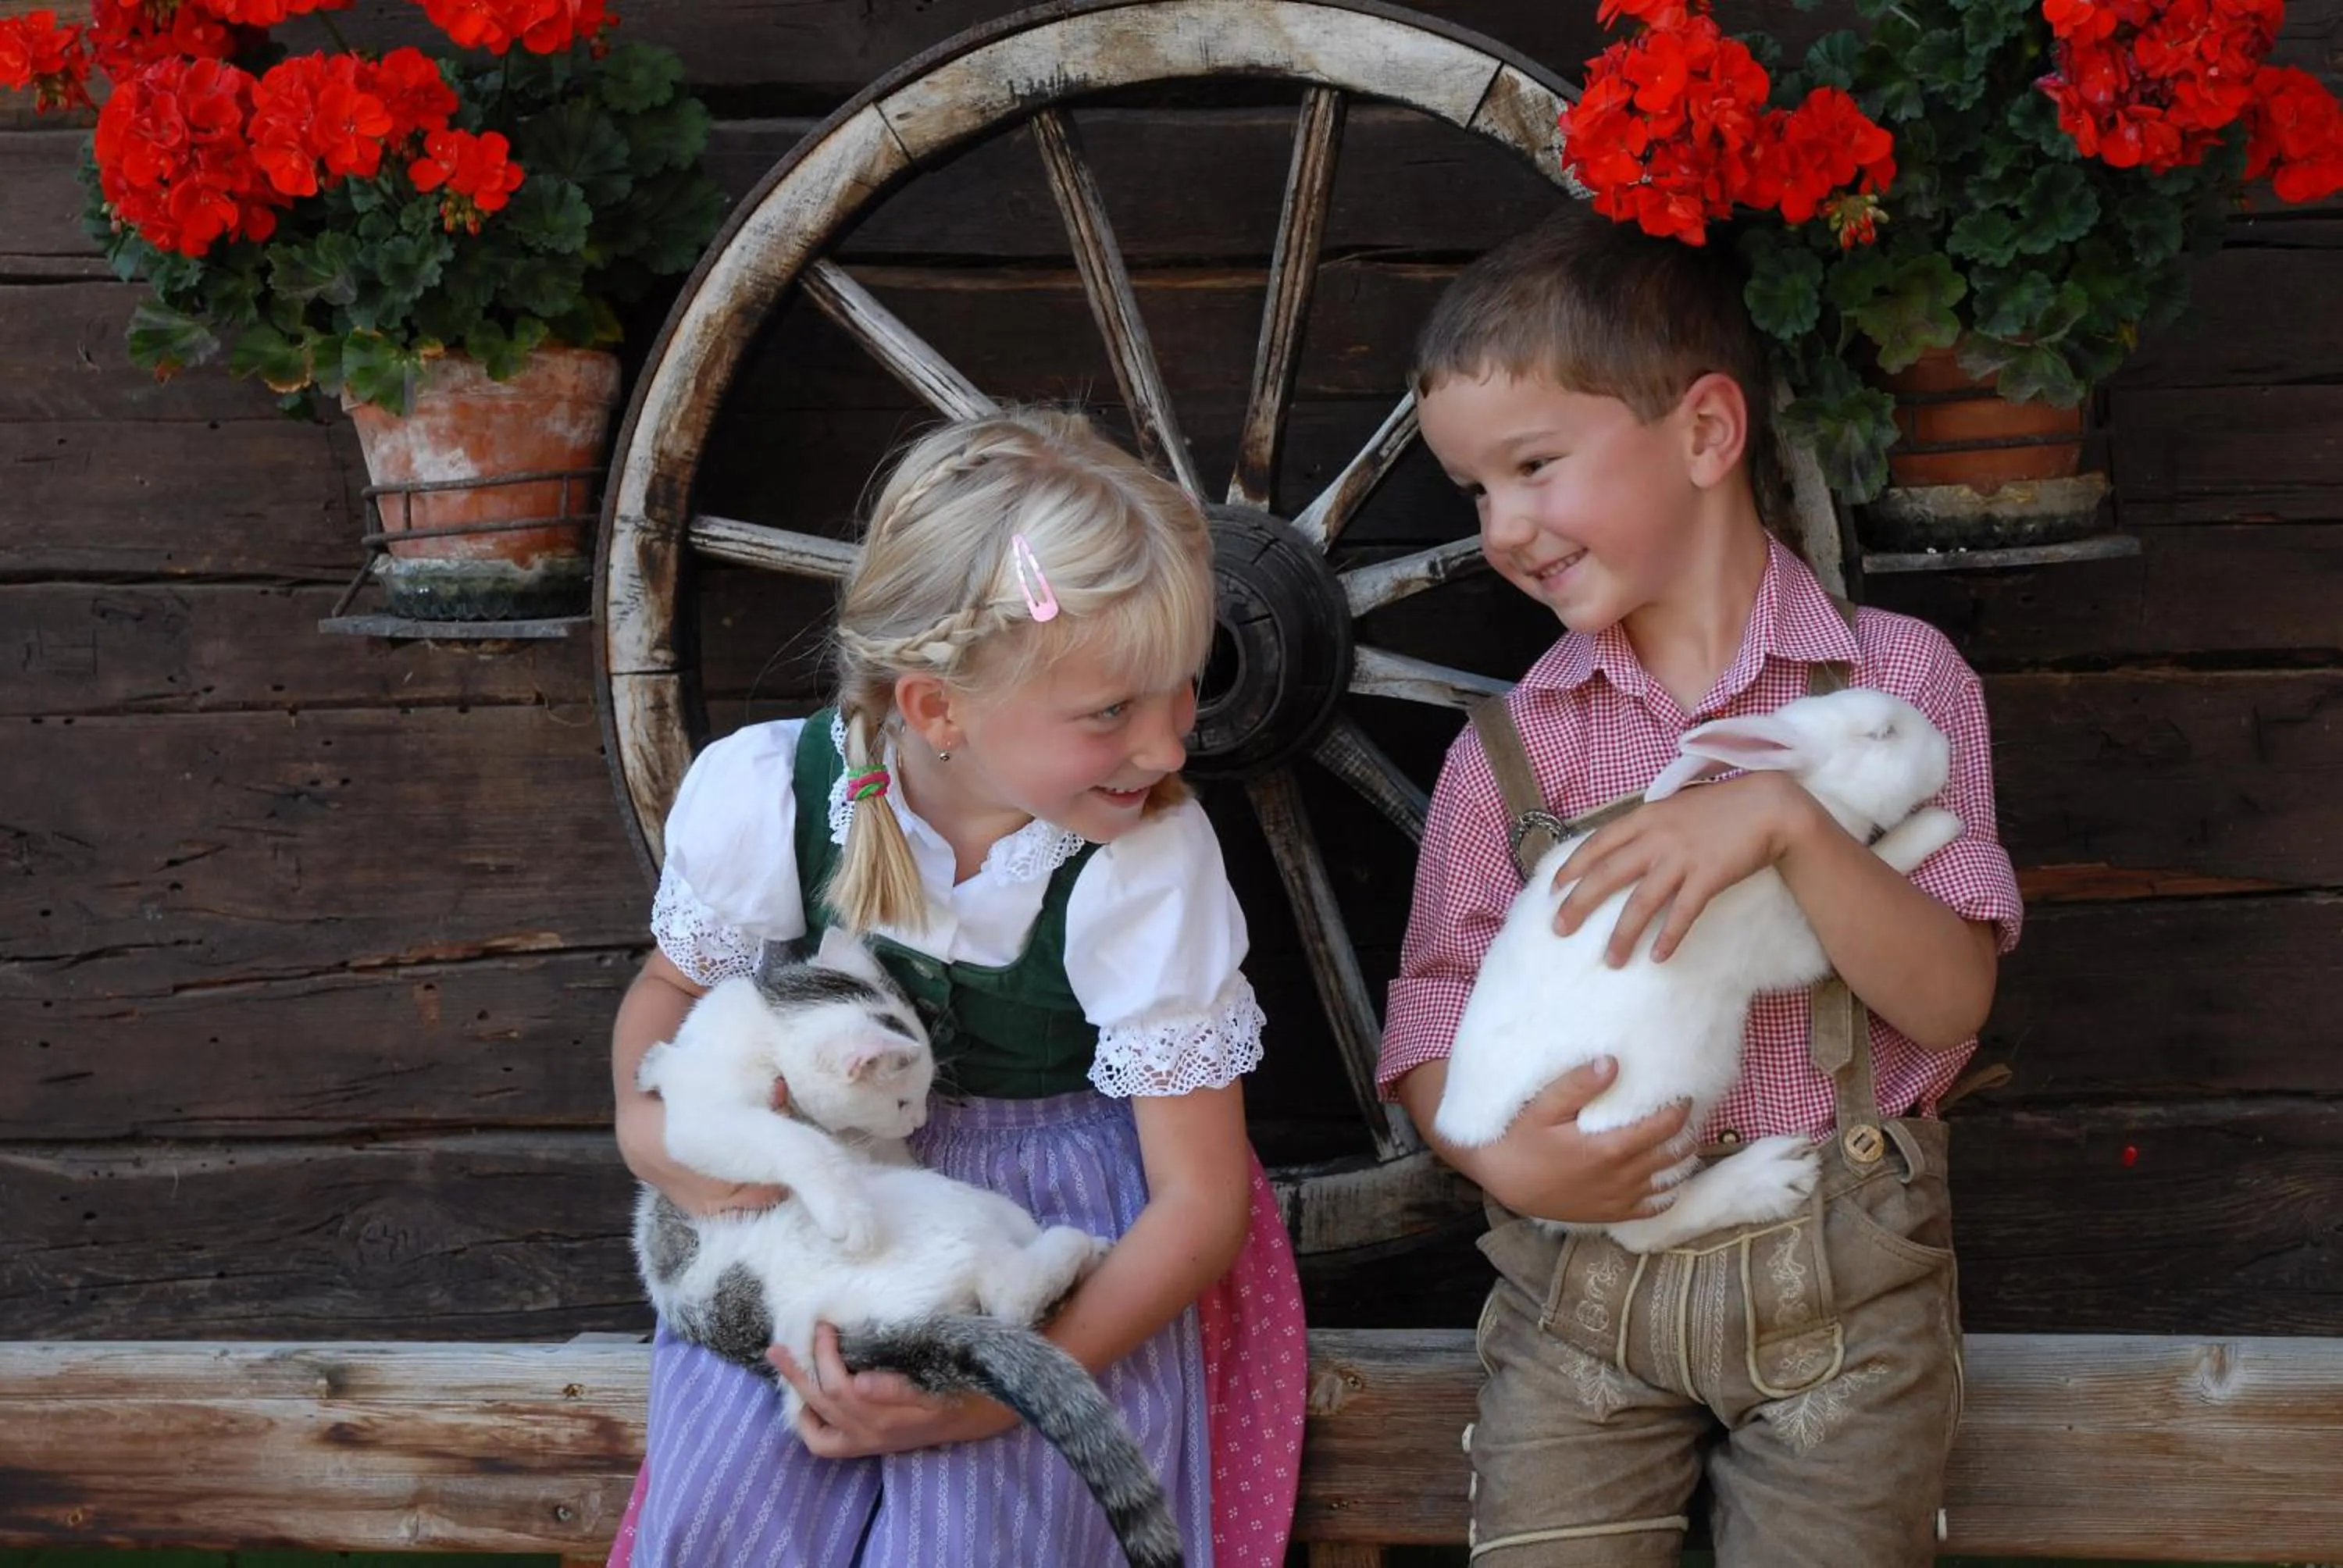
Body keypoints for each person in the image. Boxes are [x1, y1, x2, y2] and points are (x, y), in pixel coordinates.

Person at [1376, 208, 2024, 1566]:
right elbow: (1432, 1010)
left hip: (1843, 1293)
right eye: (1474, 493)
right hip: (1578, 1303)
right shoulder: (1516, 749)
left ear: (1707, 435)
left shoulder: (1891, 686)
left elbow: (1953, 996)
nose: (1504, 527)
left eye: (1533, 467)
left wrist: (1787, 820)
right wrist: (1498, 1153)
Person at [605, 408, 1306, 1567]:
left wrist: (996, 1395)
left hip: (1057, 1243)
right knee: (734, 1500)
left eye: (1185, 691)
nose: (1172, 749)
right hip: (816, 1220)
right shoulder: (771, 795)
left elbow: (1198, 1205)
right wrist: (651, 1128)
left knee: (987, 1538)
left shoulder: (1142, 866)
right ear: (936, 708)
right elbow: (671, 994)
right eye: (1111, 713)